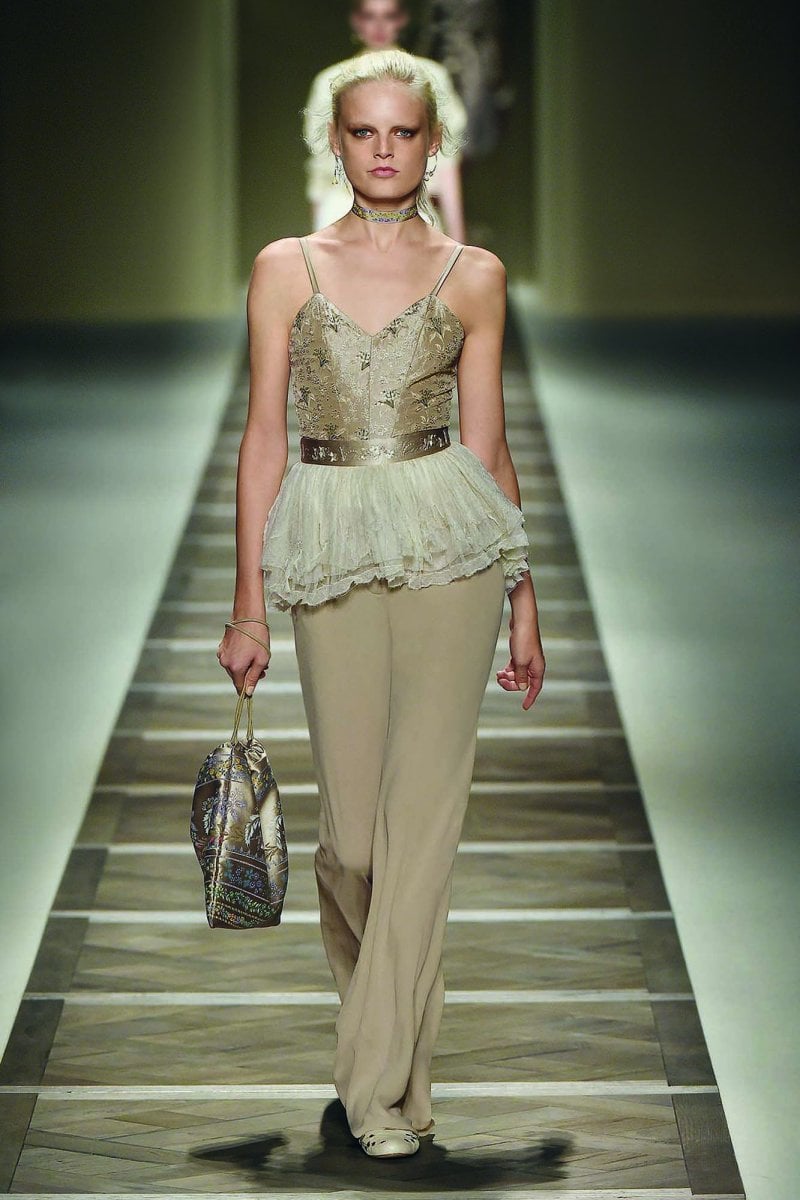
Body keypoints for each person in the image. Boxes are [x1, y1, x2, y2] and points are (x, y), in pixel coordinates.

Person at [218, 48, 545, 1160]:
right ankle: (394, 1059)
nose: (385, 150)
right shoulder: (284, 269)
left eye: (404, 132)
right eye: (364, 131)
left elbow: (490, 449)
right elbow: (263, 438)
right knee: (353, 840)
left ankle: (377, 1087)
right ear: (336, 141)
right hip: (329, 543)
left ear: (433, 143)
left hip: (452, 546)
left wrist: (523, 600)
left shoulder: (474, 275)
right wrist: (248, 606)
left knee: (423, 829)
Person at [304, 0, 467, 238]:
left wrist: (458, 240)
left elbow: (447, 163)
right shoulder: (329, 82)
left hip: (415, 207)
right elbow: (321, 171)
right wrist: (314, 243)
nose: (379, 26)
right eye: (370, 16)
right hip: (342, 206)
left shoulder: (431, 77)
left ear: (402, 20)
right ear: (356, 21)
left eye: (389, 16)